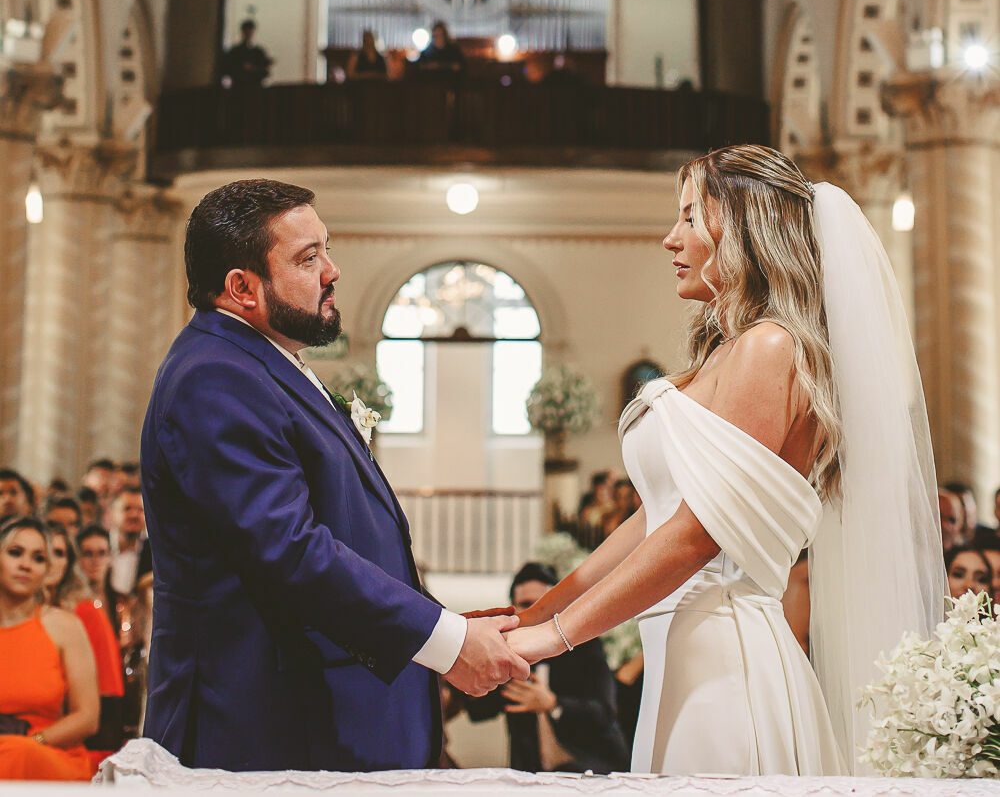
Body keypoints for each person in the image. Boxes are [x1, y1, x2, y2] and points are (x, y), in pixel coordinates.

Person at [506, 145, 944, 776]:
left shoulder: (771, 347)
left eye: (690, 217)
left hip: (726, 658)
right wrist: (538, 611)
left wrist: (558, 636)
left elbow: (696, 536)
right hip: (682, 649)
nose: (669, 238)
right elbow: (655, 518)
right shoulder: (723, 352)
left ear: (742, 228)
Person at [141, 178, 528, 772]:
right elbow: (290, 551)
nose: (332, 270)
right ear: (242, 287)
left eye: (325, 248)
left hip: (312, 714)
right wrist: (444, 642)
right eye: (307, 257)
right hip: (262, 723)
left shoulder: (264, 361)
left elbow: (348, 533)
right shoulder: (214, 377)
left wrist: (437, 619)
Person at [465, 562, 627, 773]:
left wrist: (553, 704)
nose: (535, 612)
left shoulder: (585, 645)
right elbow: (478, 711)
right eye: (525, 604)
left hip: (592, 769)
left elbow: (605, 714)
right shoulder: (509, 652)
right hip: (530, 773)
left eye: (542, 604)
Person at [0, 516, 99, 779]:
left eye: (38, 558)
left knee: (18, 752)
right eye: (15, 553)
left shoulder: (64, 626)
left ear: (47, 571)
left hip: (48, 751)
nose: (25, 565)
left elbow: (88, 717)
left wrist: (36, 741)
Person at [43, 523, 124, 757]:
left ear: (69, 563)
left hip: (78, 746)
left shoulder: (86, 612)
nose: (48, 560)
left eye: (58, 553)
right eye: (42, 552)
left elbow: (110, 697)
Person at [107, 486, 151, 598]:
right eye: (127, 509)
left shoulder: (156, 552)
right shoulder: (99, 545)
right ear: (112, 513)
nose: (134, 515)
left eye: (140, 510)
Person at [220, 19, 272, 89]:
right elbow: (226, 70)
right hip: (239, 88)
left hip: (255, 88)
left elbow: (266, 72)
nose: (248, 33)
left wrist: (252, 69)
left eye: (250, 31)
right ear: (242, 32)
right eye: (246, 31)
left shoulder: (258, 52)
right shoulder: (234, 51)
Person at [938, 487, 966, 551]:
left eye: (952, 520)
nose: (945, 526)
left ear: (960, 525)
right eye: (939, 518)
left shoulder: (965, 557)